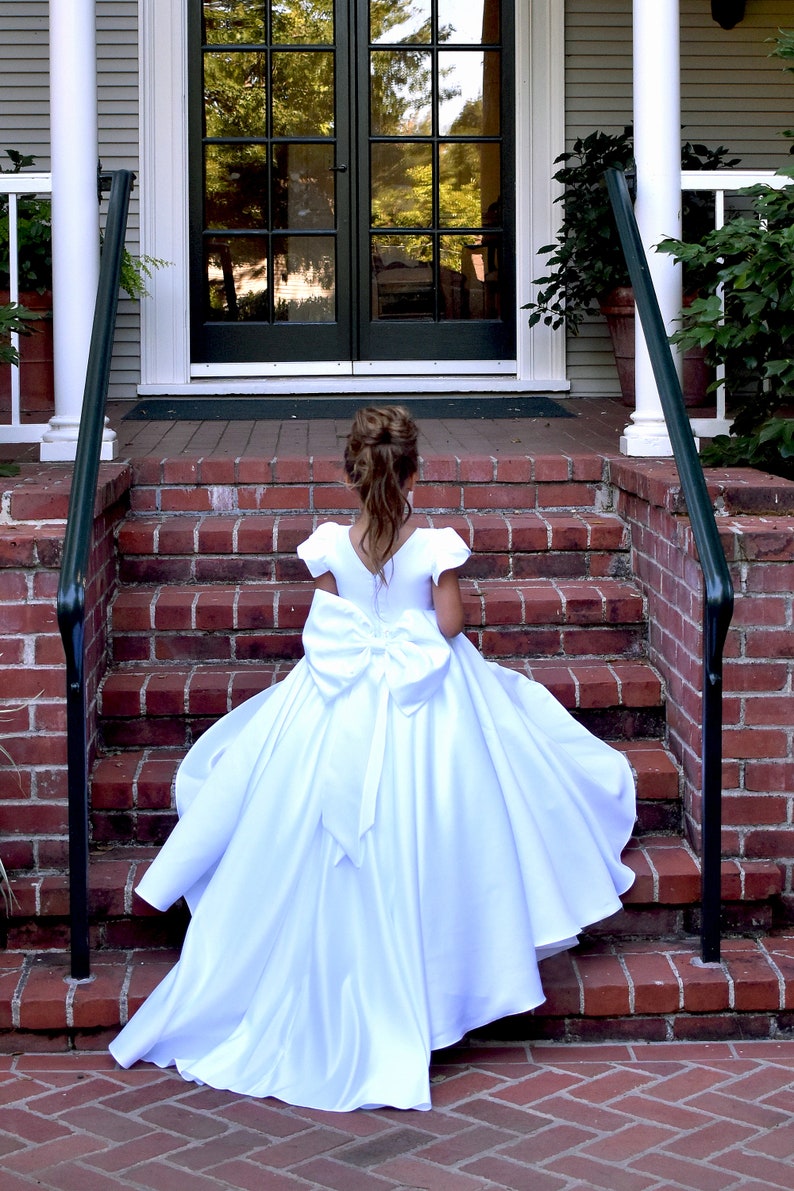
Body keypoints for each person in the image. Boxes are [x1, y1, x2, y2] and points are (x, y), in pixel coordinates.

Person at [109, 405, 636, 1112]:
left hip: (339, 696)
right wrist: (420, 612)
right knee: (467, 803)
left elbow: (327, 623)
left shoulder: (331, 542)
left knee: (294, 810)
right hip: (426, 697)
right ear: (415, 472)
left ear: (350, 476)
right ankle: (441, 981)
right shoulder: (434, 543)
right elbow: (448, 625)